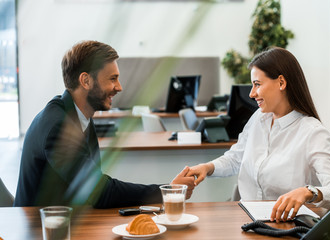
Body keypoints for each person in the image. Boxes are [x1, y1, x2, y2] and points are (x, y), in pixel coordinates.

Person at [14, 40, 195, 208]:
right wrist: (167, 191)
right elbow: (98, 192)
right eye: (112, 79)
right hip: (40, 229)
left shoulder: (78, 115)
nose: (119, 87)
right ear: (86, 81)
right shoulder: (58, 126)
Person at [185, 47, 330, 222]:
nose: (251, 93)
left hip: (288, 226)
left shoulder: (312, 132)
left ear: (281, 83)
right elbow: (236, 158)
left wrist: (308, 192)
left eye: (257, 84)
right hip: (248, 220)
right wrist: (207, 167)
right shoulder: (259, 118)